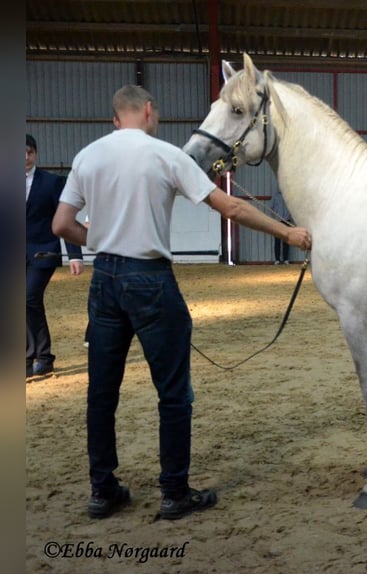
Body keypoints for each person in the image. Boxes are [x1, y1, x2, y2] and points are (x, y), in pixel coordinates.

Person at [51, 84, 312, 521]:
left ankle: (102, 490)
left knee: (101, 393)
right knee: (172, 393)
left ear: (116, 117)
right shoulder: (166, 156)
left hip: (106, 281)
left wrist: (99, 239)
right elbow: (231, 209)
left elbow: (62, 224)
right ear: (149, 111)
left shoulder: (87, 156)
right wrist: (287, 233)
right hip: (150, 279)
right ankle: (174, 492)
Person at [26, 134, 84, 379]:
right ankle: (36, 358)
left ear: (36, 154)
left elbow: (65, 219)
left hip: (43, 251)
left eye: (29, 152)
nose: (25, 157)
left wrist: (75, 255)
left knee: (28, 298)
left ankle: (38, 356)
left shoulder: (51, 183)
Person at [270, 189, 292, 264]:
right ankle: (277, 259)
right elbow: (271, 207)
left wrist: (289, 215)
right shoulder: (275, 196)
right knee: (277, 241)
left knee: (286, 240)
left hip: (287, 220)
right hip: (278, 221)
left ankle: (285, 259)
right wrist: (275, 216)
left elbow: (291, 208)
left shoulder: (288, 196)